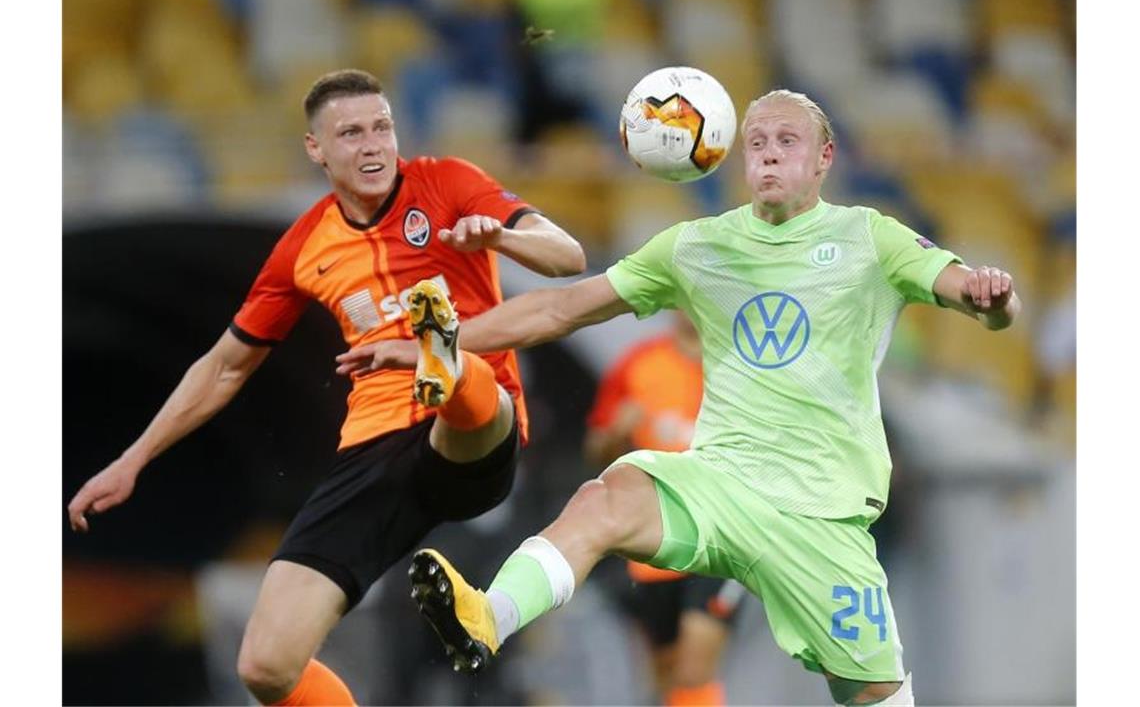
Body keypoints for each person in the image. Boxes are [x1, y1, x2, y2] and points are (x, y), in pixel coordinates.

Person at [337, 89, 1021, 706]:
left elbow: (972, 294)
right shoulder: (697, 246)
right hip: (718, 484)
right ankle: (489, 616)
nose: (770, 155)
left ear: (823, 158)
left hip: (821, 511)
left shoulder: (871, 238)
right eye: (757, 143)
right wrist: (443, 344)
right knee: (603, 499)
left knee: (872, 692)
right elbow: (562, 308)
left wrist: (994, 300)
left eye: (787, 141)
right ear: (737, 157)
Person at [66, 69, 586, 707]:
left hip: (473, 436)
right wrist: (134, 459)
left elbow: (567, 256)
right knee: (266, 665)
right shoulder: (303, 246)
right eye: (350, 133)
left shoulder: (449, 183)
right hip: (371, 455)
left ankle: (442, 354)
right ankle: (439, 350)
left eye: (382, 128)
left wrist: (502, 235)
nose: (372, 146)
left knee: (462, 386)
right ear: (316, 149)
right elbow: (225, 365)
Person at [585, 311, 746, 707]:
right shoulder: (638, 365)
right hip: (655, 545)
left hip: (721, 540)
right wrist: (617, 434)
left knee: (695, 662)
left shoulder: (742, 370)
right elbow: (596, 449)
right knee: (665, 669)